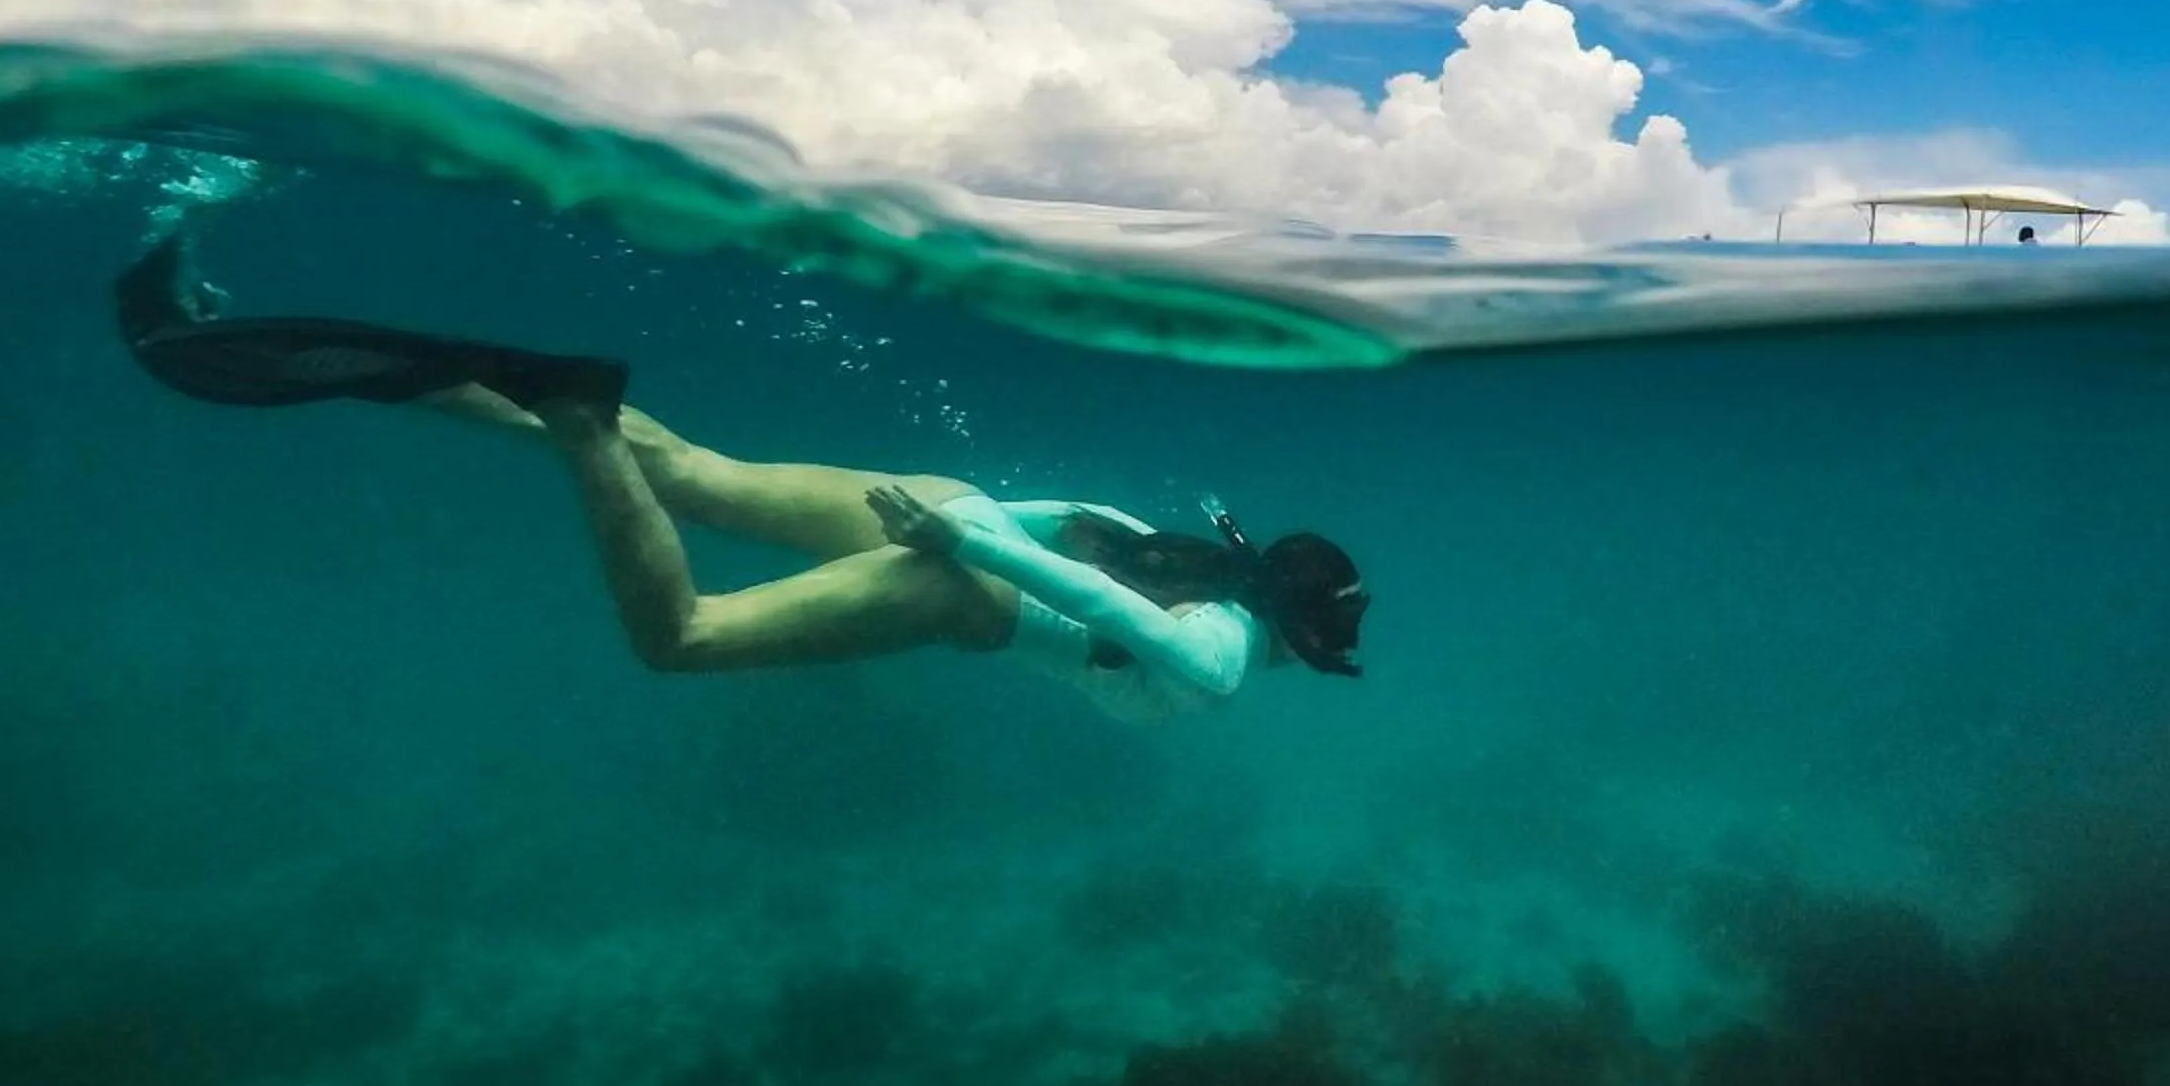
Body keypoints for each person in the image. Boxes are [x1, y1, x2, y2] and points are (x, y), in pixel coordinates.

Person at [111, 236, 1368, 724]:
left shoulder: (1198, 554)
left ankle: (344, 354)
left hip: (956, 503)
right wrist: (967, 552)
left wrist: (972, 516)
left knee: (698, 469)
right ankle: (577, 420)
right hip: (965, 583)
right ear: (1297, 640)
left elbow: (1081, 533)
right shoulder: (1220, 650)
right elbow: (1121, 620)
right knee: (685, 638)